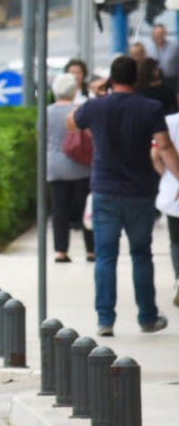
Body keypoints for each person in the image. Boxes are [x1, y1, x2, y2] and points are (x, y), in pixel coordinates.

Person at [69, 55, 179, 336]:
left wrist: (97, 94)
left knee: (105, 255)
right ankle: (147, 317)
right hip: (140, 192)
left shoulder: (95, 107)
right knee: (141, 253)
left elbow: (72, 122)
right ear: (136, 79)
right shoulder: (150, 107)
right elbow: (164, 146)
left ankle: (105, 320)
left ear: (111, 79)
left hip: (104, 191)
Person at [47, 73, 94, 263]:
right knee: (86, 208)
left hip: (55, 166)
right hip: (81, 165)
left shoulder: (47, 111)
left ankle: (60, 251)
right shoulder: (81, 110)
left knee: (59, 209)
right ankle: (91, 250)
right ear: (74, 90)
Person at [153, 110, 179, 306]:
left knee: (176, 240)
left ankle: (178, 278)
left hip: (173, 192)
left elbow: (155, 154)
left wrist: (165, 175)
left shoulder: (169, 122)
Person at [142, 23, 179, 91]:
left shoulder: (175, 47)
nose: (160, 36)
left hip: (171, 80)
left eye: (162, 33)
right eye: (157, 34)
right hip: (153, 81)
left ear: (165, 34)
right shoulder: (148, 48)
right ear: (153, 34)